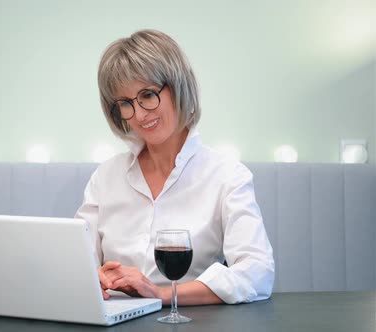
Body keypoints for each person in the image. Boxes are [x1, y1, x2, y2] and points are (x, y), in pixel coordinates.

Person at [75, 29, 274, 305]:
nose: (140, 114)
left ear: (178, 86)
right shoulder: (105, 177)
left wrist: (161, 295)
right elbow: (76, 260)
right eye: (125, 103)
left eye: (147, 94)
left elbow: (257, 273)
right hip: (112, 319)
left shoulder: (227, 176)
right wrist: (95, 277)